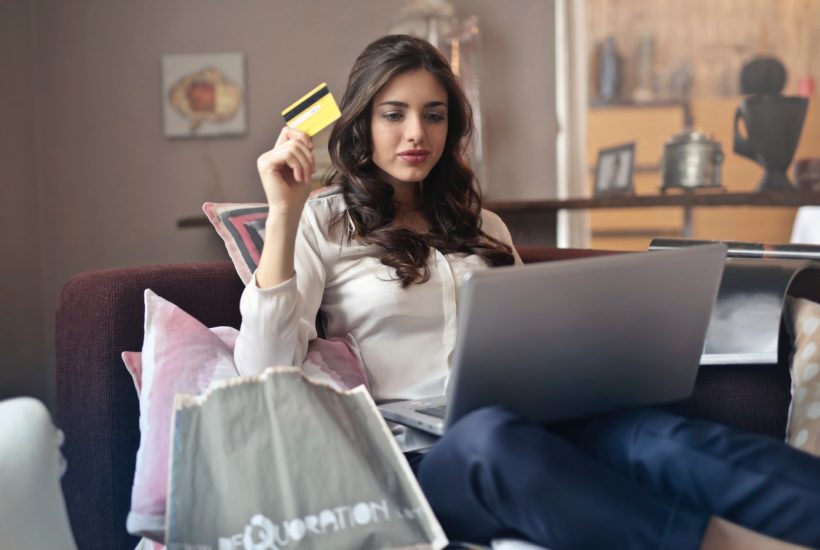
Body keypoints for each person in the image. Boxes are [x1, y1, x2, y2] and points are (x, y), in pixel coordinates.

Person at [235, 34, 820, 549]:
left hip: (538, 423)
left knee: (655, 437)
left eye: (434, 115)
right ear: (362, 123)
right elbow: (262, 368)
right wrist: (284, 213)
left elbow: (532, 336)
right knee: (492, 440)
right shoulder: (323, 221)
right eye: (395, 115)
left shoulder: (483, 226)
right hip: (425, 462)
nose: (417, 134)